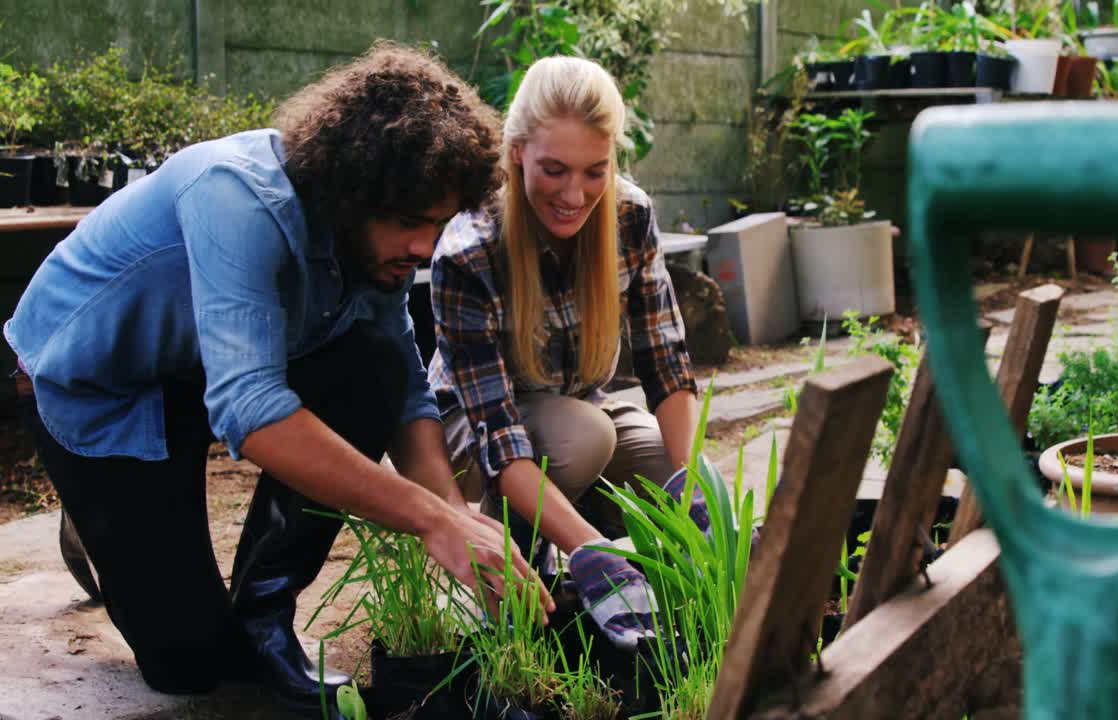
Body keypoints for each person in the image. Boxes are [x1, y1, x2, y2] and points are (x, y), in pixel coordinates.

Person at [5, 44, 550, 714]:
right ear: (352, 192)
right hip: (100, 383)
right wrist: (430, 520)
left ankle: (265, 613)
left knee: (370, 369)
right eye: (409, 223)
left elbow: (403, 385)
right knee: (190, 664)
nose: (424, 247)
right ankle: (93, 514)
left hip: (203, 364)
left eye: (437, 224)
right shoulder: (238, 197)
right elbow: (251, 407)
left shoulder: (374, 247)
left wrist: (459, 520)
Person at [430, 56, 706, 651]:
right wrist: (593, 551)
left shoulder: (630, 216)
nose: (574, 194)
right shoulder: (469, 251)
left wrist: (694, 495)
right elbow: (503, 442)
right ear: (517, 151)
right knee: (584, 437)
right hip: (472, 437)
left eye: (594, 171)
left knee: (667, 469)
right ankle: (514, 590)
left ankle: (661, 602)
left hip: (575, 410)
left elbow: (668, 364)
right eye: (554, 170)